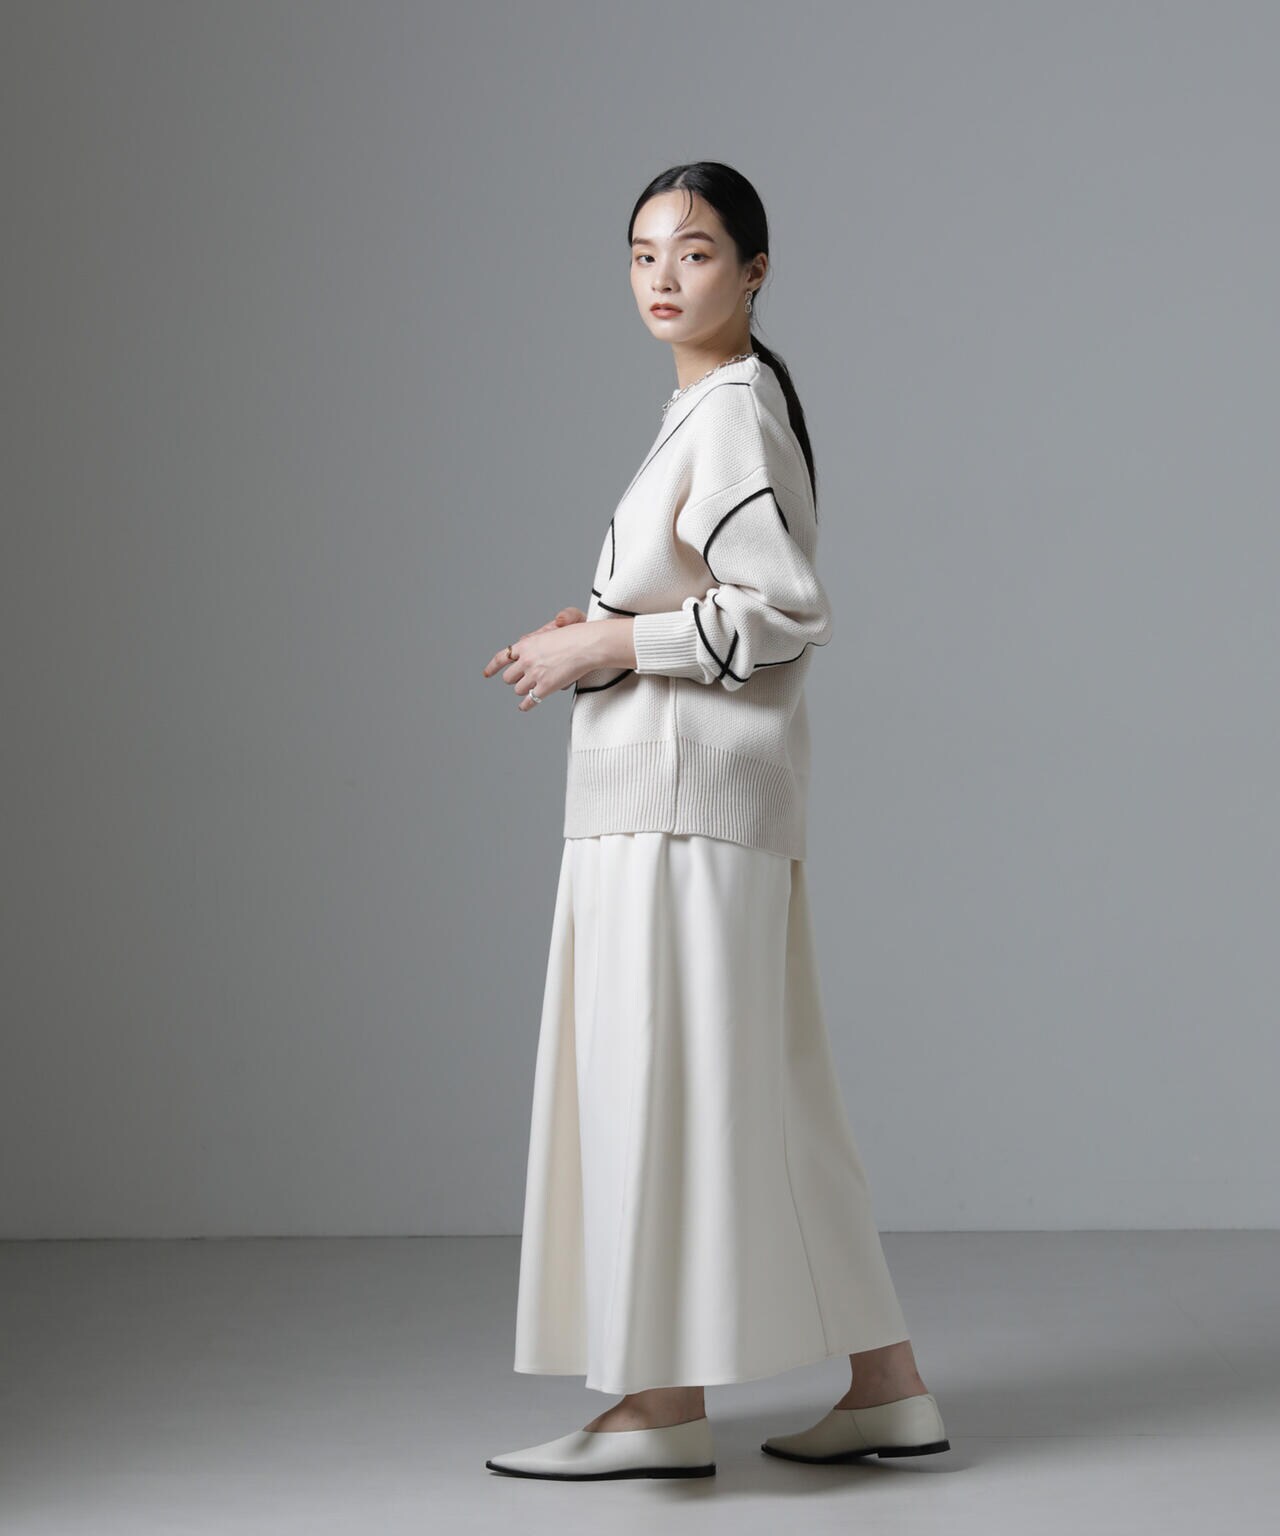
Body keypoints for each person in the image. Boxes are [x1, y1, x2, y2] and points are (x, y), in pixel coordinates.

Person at [480, 161, 949, 1481]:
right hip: (681, 803)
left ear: (754, 270)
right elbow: (711, 597)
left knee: (654, 1088)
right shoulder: (709, 409)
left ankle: (658, 1408)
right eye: (643, 254)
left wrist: (608, 644)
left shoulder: (733, 412)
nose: (662, 277)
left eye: (693, 252)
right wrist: (605, 627)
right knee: (766, 1095)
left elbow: (784, 614)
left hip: (677, 813)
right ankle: (887, 1387)